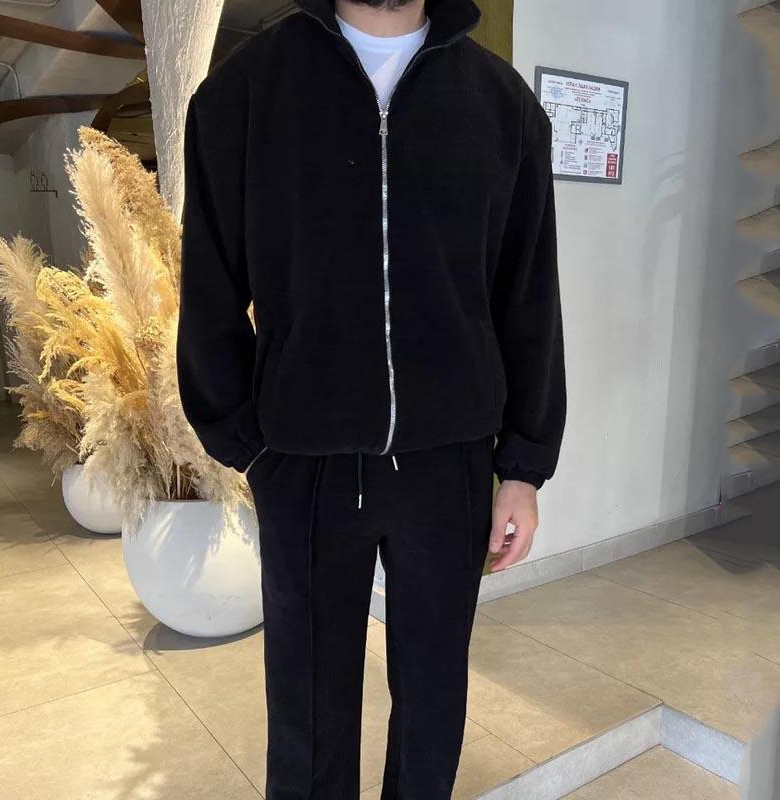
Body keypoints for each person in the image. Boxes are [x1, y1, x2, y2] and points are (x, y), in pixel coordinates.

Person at [176, 0, 566, 796]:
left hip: (452, 463)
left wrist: (523, 465)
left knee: (433, 702)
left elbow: (528, 297)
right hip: (303, 463)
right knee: (308, 713)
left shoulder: (503, 106)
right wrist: (248, 441)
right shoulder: (244, 93)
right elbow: (209, 287)